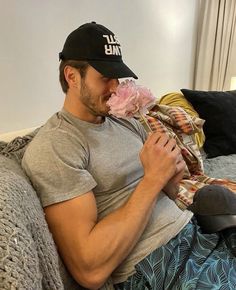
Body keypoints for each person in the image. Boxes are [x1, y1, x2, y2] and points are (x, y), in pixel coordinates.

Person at [22, 22, 236, 290]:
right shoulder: (56, 146)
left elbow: (169, 190)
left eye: (118, 77)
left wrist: (171, 171)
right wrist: (152, 180)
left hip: (195, 231)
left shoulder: (125, 121)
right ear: (72, 76)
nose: (115, 88)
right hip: (160, 264)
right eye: (104, 78)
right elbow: (89, 270)